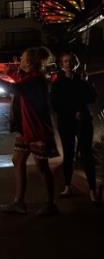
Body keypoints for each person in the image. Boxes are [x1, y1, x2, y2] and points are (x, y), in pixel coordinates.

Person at [0, 47, 59, 216]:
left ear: (31, 62)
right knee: (18, 160)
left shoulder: (36, 79)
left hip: (37, 130)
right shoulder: (30, 77)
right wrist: (11, 71)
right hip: (27, 129)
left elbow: (16, 88)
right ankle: (19, 202)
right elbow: (18, 80)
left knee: (42, 167)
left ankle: (50, 204)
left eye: (24, 58)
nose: (21, 60)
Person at [51, 53, 98, 203]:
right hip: (66, 122)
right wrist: (73, 111)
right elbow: (55, 104)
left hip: (83, 121)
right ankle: (67, 186)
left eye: (70, 61)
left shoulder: (82, 80)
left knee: (87, 155)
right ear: (61, 64)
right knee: (68, 155)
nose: (68, 64)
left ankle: (92, 190)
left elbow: (92, 97)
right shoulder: (58, 83)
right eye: (65, 61)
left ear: (75, 63)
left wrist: (86, 83)